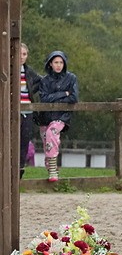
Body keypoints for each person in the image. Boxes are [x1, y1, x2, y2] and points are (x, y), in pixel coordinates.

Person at [35, 50, 79, 183]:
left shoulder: (71, 78)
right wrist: (63, 93)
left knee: (51, 133)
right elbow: (44, 99)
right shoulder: (45, 80)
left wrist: (58, 98)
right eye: (56, 62)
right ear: (50, 64)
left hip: (61, 116)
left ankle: (53, 171)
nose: (58, 65)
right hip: (45, 116)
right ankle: (51, 171)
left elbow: (74, 97)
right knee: (47, 143)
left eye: (61, 62)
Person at [17, 43, 41, 178]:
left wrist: (32, 90)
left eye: (24, 54)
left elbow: (41, 81)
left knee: (25, 140)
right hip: (14, 110)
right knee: (11, 139)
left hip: (28, 110)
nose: (21, 57)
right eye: (19, 53)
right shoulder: (8, 69)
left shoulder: (29, 71)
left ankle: (20, 167)